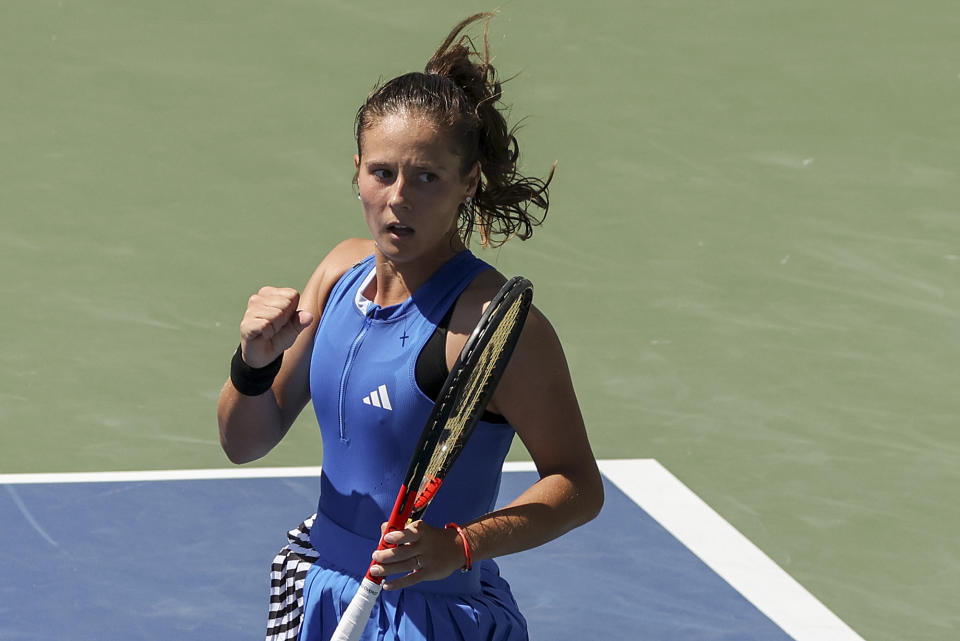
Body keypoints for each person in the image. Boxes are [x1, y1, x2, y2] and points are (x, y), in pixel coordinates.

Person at [217, 12, 604, 641]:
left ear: (467, 183)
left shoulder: (493, 325)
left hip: (430, 613)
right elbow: (244, 442)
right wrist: (253, 364)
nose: (400, 197)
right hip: (321, 590)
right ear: (357, 171)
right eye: (383, 173)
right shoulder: (336, 274)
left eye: (427, 177)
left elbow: (579, 487)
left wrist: (460, 544)